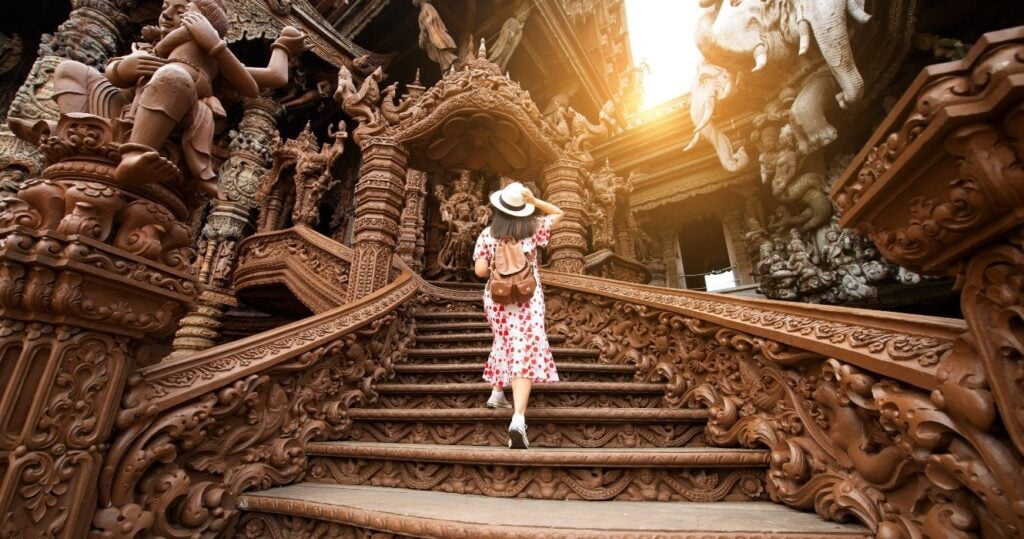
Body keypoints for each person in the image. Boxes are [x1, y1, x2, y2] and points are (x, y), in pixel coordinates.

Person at [472, 182, 564, 449]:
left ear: (499, 209)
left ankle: (497, 391)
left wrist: (499, 262)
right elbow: (559, 213)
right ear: (522, 209)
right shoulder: (533, 229)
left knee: (505, 341)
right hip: (528, 298)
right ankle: (518, 419)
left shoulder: (488, 234)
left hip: (497, 297)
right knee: (524, 349)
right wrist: (535, 201)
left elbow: (479, 272)